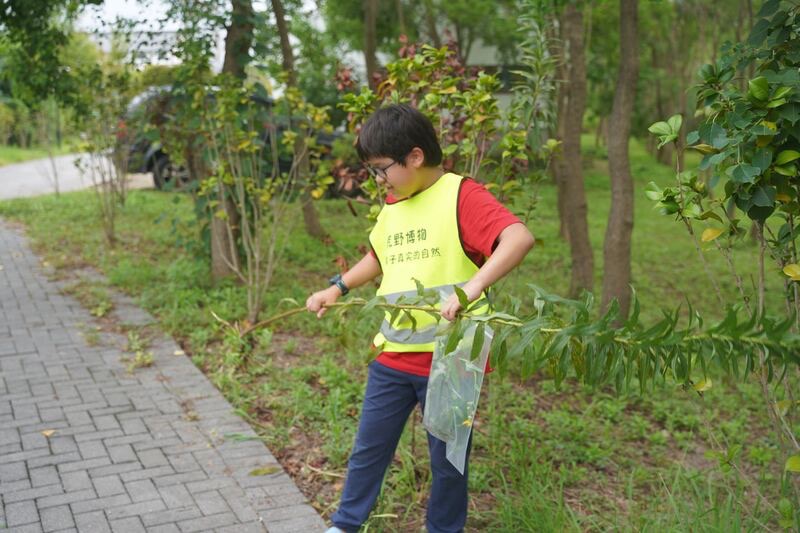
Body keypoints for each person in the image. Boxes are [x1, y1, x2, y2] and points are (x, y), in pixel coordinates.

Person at [306, 103, 535, 533]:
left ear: (414, 156)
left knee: (448, 462)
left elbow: (518, 237)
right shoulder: (394, 206)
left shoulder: (460, 194)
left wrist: (471, 288)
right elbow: (378, 256)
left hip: (452, 358)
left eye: (381, 169)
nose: (378, 180)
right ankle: (345, 525)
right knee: (369, 449)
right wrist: (336, 288)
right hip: (394, 355)